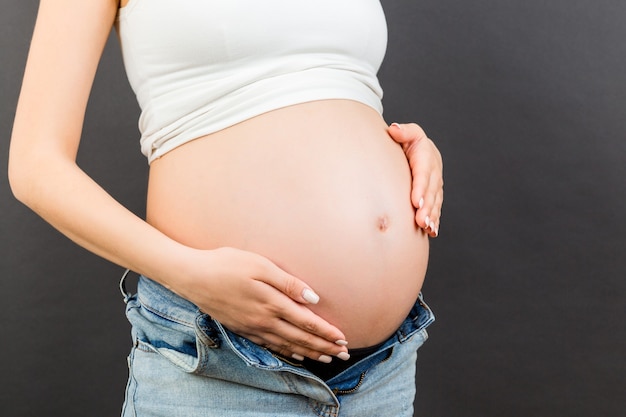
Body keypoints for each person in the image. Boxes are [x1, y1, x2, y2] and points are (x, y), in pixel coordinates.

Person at [8, 0, 443, 416]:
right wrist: (187, 273)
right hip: (222, 366)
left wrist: (401, 145)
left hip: (384, 372)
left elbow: (331, 86)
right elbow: (35, 166)